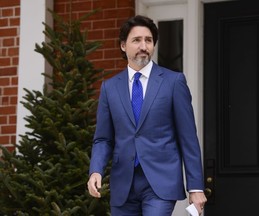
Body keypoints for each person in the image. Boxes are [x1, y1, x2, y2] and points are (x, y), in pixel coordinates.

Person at [87, 15, 207, 216]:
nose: (143, 46)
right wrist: (96, 170)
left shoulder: (173, 82)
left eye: (148, 40)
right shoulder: (110, 88)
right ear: (123, 46)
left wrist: (195, 187)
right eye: (136, 40)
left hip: (160, 182)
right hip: (123, 184)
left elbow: (188, 138)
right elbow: (103, 138)